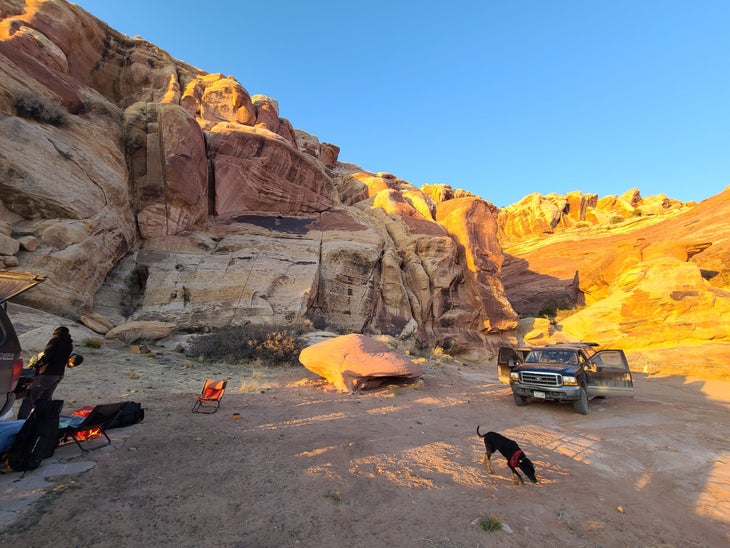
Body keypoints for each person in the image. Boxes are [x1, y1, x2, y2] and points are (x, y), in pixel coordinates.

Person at [17, 326, 77, 420]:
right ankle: (45, 420)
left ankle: (19, 422)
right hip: (59, 375)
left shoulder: (55, 341)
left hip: (47, 374)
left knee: (30, 399)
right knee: (46, 399)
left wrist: (36, 365)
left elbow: (47, 355)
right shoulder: (69, 344)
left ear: (56, 333)